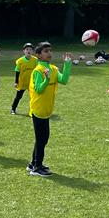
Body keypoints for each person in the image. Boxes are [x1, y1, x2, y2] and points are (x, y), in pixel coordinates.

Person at [27, 41, 73, 177]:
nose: (49, 53)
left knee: (42, 138)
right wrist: (46, 80)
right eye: (45, 51)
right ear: (39, 55)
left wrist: (67, 63)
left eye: (50, 51)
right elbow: (38, 90)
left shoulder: (52, 68)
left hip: (47, 109)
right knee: (42, 139)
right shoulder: (37, 70)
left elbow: (64, 80)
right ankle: (37, 167)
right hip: (38, 109)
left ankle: (33, 163)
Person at [10, 43, 38, 115]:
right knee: (18, 97)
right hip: (22, 82)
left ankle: (34, 111)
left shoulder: (35, 60)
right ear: (24, 51)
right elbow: (17, 71)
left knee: (33, 97)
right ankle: (13, 109)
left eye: (30, 49)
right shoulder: (20, 61)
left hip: (31, 82)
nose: (28, 51)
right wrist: (16, 82)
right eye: (27, 49)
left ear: (33, 51)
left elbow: (37, 71)